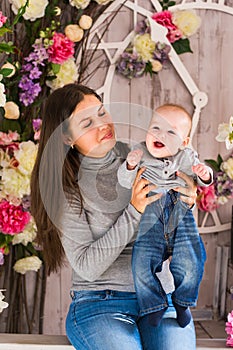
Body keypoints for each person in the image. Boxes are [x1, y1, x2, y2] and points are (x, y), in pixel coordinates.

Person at [31, 84, 198, 350]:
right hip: (99, 303)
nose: (103, 125)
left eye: (102, 113)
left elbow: (171, 236)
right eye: (87, 122)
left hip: (159, 296)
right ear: (67, 138)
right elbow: (86, 266)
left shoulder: (143, 155)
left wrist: (187, 201)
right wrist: (134, 211)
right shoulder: (66, 188)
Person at [117, 103, 212, 329]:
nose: (161, 135)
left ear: (184, 142)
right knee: (140, 263)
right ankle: (154, 305)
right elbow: (123, 180)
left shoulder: (187, 156)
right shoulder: (139, 152)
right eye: (156, 128)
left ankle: (182, 302)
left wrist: (205, 174)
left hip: (181, 214)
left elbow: (202, 178)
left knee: (191, 263)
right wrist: (130, 166)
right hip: (152, 217)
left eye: (171, 132)